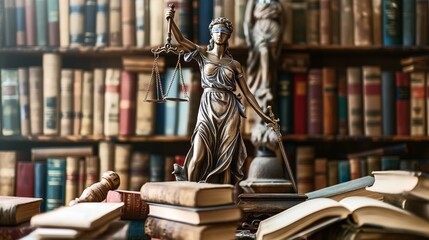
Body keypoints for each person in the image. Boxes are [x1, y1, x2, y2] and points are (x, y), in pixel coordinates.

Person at [167, 9, 277, 185]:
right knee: (198, 154)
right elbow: (180, 41)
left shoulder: (234, 65)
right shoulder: (203, 54)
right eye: (216, 31)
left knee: (225, 160)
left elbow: (247, 92)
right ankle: (189, 194)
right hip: (208, 108)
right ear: (212, 34)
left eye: (223, 32)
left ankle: (222, 199)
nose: (219, 35)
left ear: (228, 36)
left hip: (229, 111)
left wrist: (263, 116)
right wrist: (171, 21)